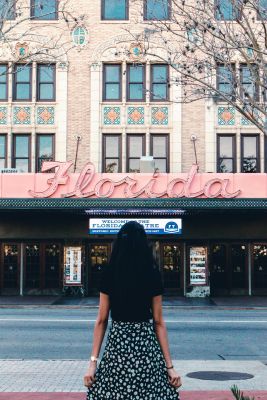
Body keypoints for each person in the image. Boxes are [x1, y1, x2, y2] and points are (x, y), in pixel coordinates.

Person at [83, 221, 182, 399]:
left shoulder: (110, 273)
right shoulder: (152, 274)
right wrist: (170, 367)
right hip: (146, 349)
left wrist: (92, 363)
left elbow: (101, 320)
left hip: (117, 349)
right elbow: (158, 322)